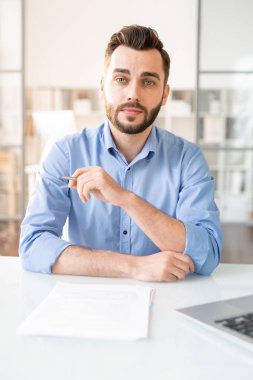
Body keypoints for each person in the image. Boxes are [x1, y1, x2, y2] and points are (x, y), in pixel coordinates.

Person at [19, 25, 223, 282]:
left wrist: (125, 198)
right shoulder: (66, 153)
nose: (133, 94)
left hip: (168, 302)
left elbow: (207, 254)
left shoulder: (187, 159)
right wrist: (134, 267)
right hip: (85, 303)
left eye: (148, 82)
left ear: (164, 95)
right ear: (103, 87)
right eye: (121, 79)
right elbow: (33, 246)